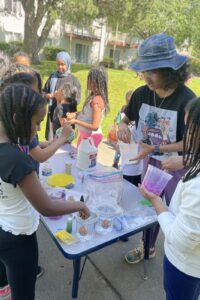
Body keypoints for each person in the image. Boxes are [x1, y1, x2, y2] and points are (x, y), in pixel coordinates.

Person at [0, 84, 90, 300]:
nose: (38, 130)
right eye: (37, 123)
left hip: (2, 225)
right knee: (23, 294)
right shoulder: (16, 159)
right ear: (16, 118)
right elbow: (47, 207)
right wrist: (80, 204)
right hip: (18, 238)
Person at [117, 33, 196, 264]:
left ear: (169, 71)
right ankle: (147, 246)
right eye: (144, 71)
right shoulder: (141, 94)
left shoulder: (187, 100)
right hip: (148, 163)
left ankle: (178, 255)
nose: (146, 77)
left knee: (174, 212)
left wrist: (155, 147)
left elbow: (191, 143)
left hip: (177, 167)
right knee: (148, 206)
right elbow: (126, 117)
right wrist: (123, 125)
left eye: (152, 71)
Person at [139, 97, 200, 300]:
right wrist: (188, 160)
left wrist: (156, 201)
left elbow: (180, 240)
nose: (187, 136)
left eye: (190, 130)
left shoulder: (197, 186)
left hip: (186, 266)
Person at [66, 65, 109, 148]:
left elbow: (95, 126)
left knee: (84, 159)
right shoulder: (92, 97)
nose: (87, 81)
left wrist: (75, 121)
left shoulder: (96, 102)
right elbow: (87, 114)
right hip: (85, 135)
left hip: (91, 137)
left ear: (97, 83)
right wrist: (75, 114)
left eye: (90, 79)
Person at [43, 51, 81, 140]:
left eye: (63, 64)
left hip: (66, 118)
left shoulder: (74, 80)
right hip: (53, 116)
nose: (60, 67)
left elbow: (77, 99)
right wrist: (51, 95)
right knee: (52, 143)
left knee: (64, 143)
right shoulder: (53, 77)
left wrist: (62, 100)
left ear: (68, 64)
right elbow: (43, 93)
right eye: (58, 64)